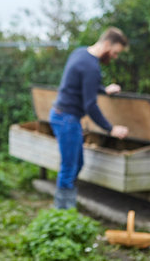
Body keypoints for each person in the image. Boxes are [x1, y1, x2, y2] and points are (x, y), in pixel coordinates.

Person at [50, 27, 129, 209]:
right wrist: (111, 128)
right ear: (107, 44)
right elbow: (90, 106)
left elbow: (81, 84)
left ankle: (64, 209)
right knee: (69, 169)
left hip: (63, 115)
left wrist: (103, 89)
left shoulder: (80, 53)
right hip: (67, 119)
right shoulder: (92, 67)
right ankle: (62, 215)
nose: (115, 57)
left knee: (77, 163)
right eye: (115, 52)